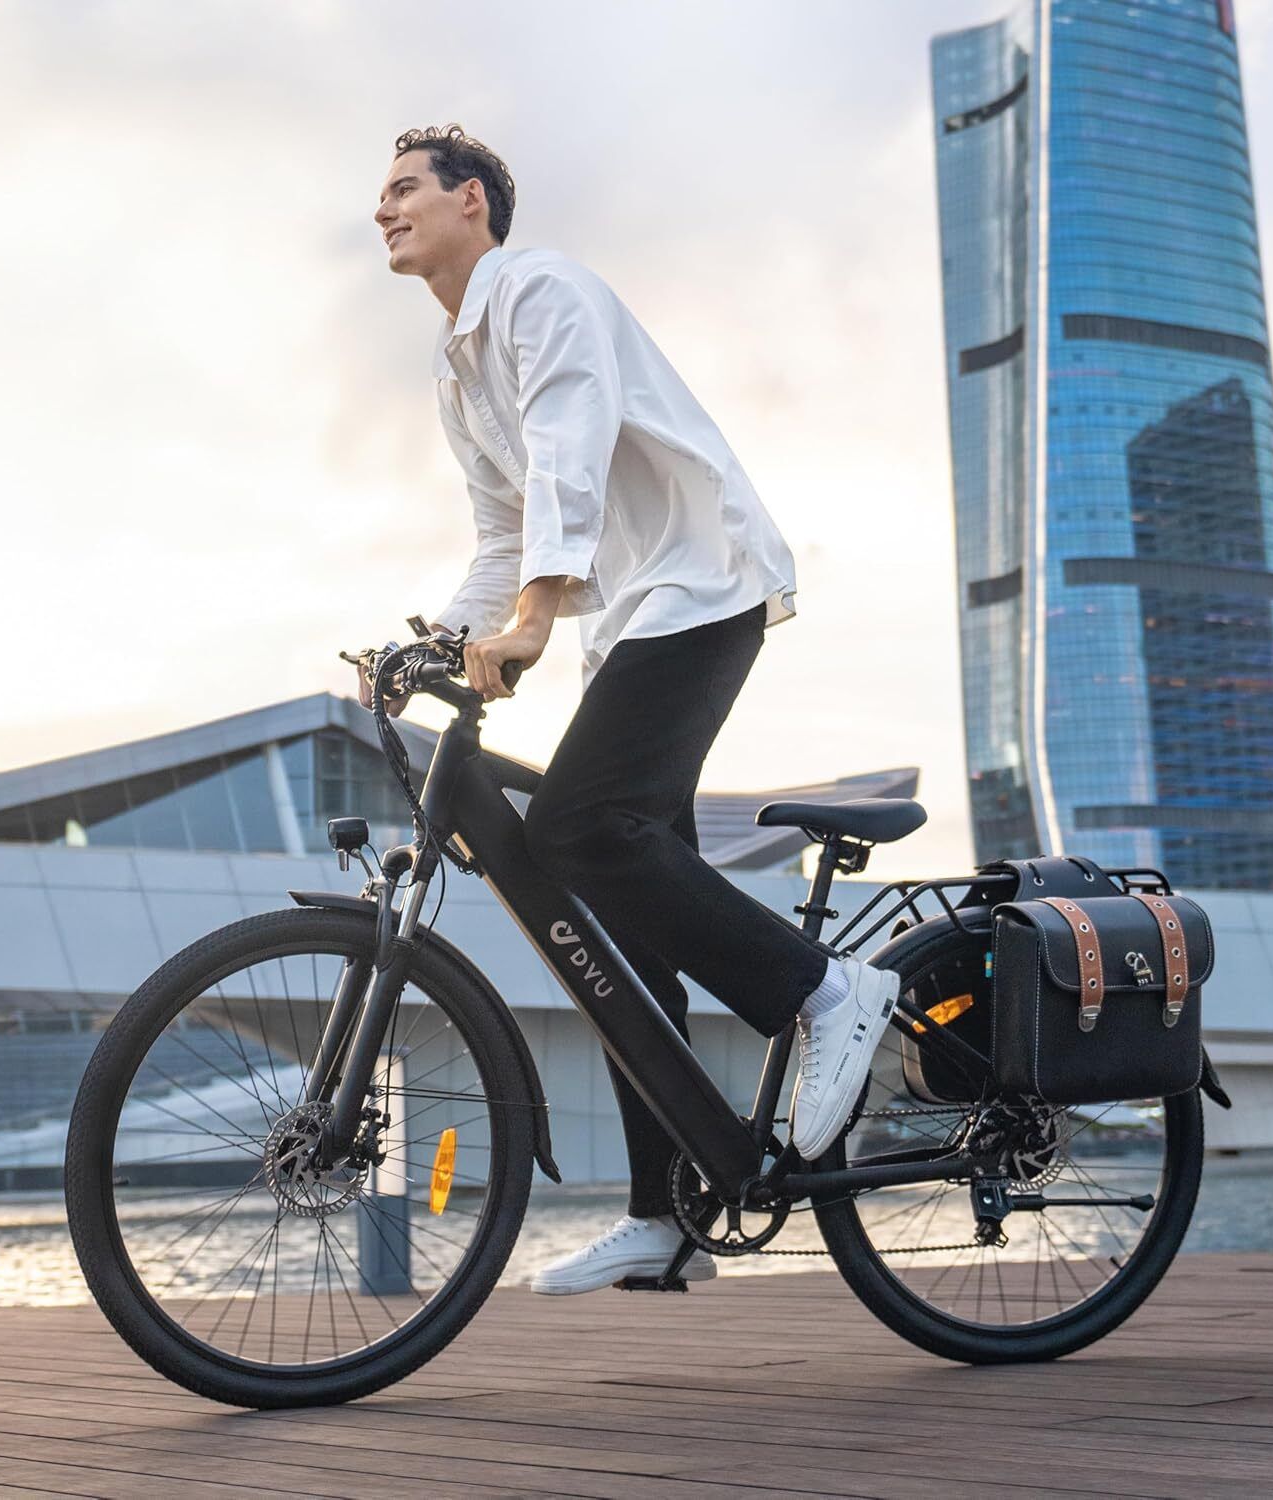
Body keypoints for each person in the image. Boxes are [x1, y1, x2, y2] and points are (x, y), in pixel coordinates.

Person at [365, 123, 899, 1295]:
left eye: (404, 188)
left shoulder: (540, 289)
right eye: (381, 195)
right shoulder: (456, 369)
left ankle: (827, 993)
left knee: (573, 832)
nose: (383, 210)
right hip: (636, 618)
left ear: (473, 204)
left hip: (703, 586)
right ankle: (669, 1212)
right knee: (608, 898)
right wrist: (441, 643)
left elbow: (571, 440)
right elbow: (504, 535)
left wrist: (538, 618)